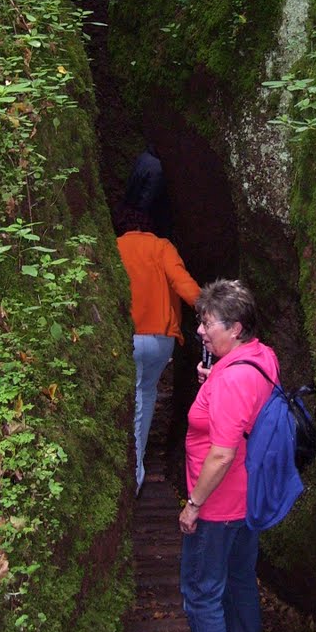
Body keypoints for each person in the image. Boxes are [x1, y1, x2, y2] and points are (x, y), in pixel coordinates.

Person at [179, 279, 278, 632]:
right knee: (238, 580)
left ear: (235, 328)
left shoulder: (233, 377)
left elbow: (221, 454)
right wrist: (214, 383)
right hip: (247, 498)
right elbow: (247, 411)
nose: (201, 330)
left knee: (203, 593)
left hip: (219, 505)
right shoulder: (260, 357)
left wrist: (193, 506)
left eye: (208, 323)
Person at [116, 209, 200, 495]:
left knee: (131, 396)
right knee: (146, 392)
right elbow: (181, 281)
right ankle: (136, 464)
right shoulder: (161, 246)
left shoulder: (114, 247)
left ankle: (131, 470)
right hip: (159, 339)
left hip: (124, 336)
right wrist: (210, 308)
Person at [118, 143, 173, 239]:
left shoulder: (144, 156)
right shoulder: (158, 170)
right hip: (140, 214)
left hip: (130, 203)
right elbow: (147, 199)